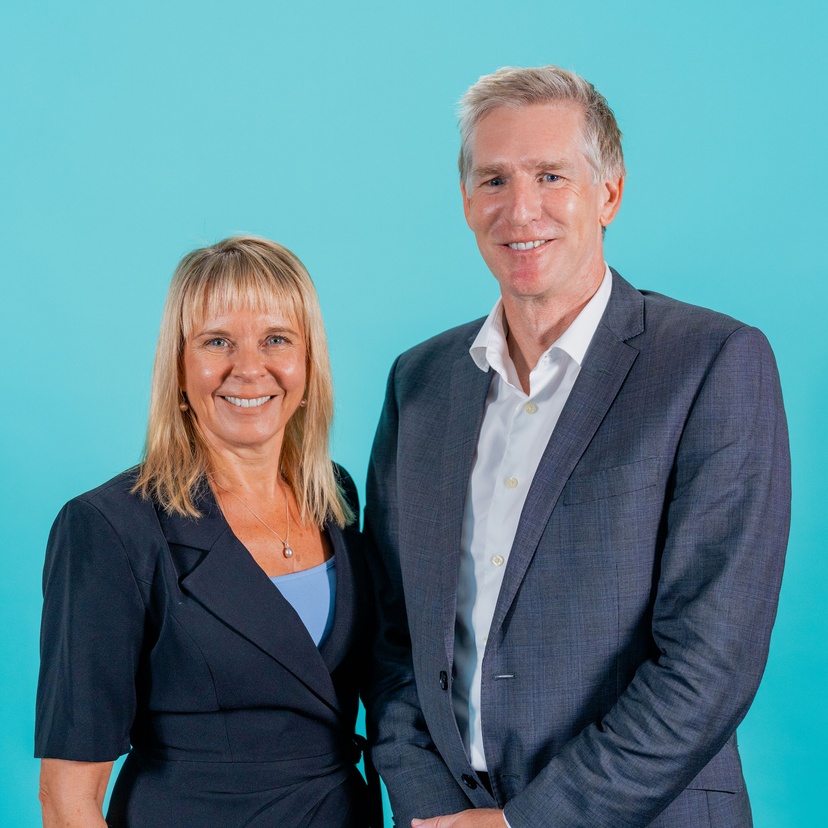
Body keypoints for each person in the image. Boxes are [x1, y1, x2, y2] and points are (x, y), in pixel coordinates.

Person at [364, 66, 790, 827]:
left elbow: (709, 663)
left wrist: (525, 824)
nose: (520, 208)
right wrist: (429, 807)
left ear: (609, 193)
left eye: (551, 175)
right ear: (466, 201)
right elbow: (393, 637)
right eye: (493, 179)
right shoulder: (420, 384)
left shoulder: (711, 364)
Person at [36, 236, 379, 827]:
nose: (249, 368)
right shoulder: (109, 527)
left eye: (276, 339)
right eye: (217, 341)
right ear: (179, 366)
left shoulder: (336, 496)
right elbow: (68, 798)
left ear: (308, 362)